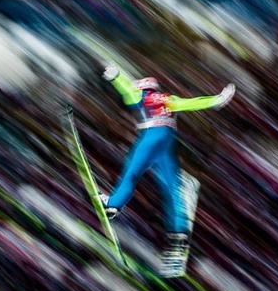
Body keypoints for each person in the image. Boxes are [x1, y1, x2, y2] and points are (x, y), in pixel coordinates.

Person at [100, 64, 235, 278]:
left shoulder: (142, 96)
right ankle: (178, 235)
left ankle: (113, 205)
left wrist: (116, 77)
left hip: (151, 137)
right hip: (168, 142)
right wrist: (217, 99)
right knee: (173, 190)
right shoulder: (168, 99)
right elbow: (193, 103)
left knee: (132, 174)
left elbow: (126, 88)